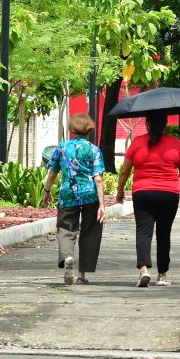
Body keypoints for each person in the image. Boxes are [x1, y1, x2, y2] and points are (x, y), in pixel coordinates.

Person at [116, 112, 180, 287]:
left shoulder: (137, 142)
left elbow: (125, 170)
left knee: (143, 231)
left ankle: (143, 270)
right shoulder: (174, 143)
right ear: (165, 124)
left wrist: (120, 190)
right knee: (164, 233)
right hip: (169, 193)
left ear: (147, 124)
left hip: (143, 193)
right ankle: (162, 274)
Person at [42, 113, 106, 286]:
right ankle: (81, 274)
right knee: (90, 232)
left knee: (65, 228)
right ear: (89, 130)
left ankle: (67, 256)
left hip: (68, 194)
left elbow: (53, 172)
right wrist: (102, 205)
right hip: (90, 195)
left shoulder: (61, 148)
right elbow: (98, 178)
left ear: (71, 129)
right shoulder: (94, 150)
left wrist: (46, 191)